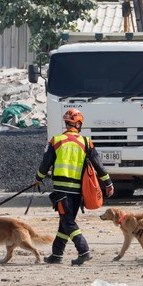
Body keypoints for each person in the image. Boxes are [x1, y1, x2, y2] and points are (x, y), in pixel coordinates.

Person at [34, 108, 114, 266]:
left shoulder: (56, 140)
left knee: (68, 222)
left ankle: (84, 251)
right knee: (65, 222)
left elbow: (46, 163)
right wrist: (108, 182)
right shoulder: (86, 142)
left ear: (66, 123)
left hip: (62, 189)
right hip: (78, 191)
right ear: (79, 124)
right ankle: (56, 254)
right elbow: (98, 164)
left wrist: (38, 178)